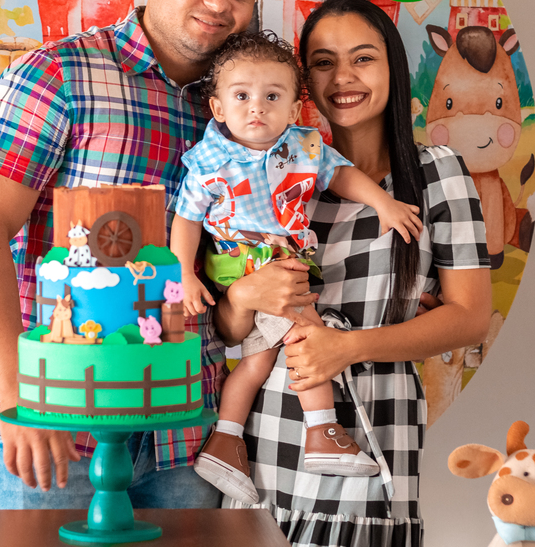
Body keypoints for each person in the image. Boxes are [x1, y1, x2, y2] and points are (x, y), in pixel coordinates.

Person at [0, 0, 316, 510]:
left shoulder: (240, 106)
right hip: (62, 422)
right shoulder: (60, 74)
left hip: (188, 430)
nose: (218, 2)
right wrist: (19, 397)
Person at [213, 0, 494, 547]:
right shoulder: (273, 177)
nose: (343, 77)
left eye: (363, 58)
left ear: (393, 66)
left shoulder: (437, 174)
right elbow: (228, 330)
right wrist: (243, 296)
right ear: (304, 83)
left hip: (375, 421)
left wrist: (348, 347)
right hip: (271, 424)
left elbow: (469, 318)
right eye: (323, 62)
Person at [169, 31, 423, 504]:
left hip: (285, 259)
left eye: (272, 97)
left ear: (293, 109)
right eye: (241, 96)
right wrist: (183, 273)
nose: (256, 108)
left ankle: (225, 442)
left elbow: (341, 174)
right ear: (218, 107)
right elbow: (186, 219)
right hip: (244, 262)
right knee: (307, 333)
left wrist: (383, 202)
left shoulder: (303, 146)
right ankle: (322, 431)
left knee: (258, 359)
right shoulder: (209, 161)